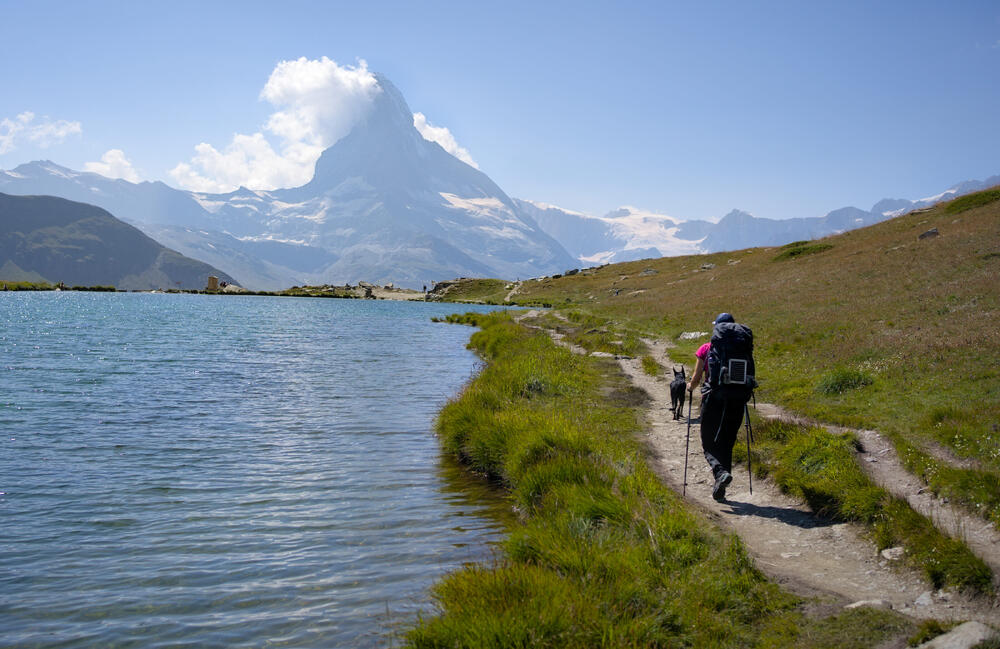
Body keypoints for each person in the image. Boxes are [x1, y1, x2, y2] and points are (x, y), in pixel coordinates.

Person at [687, 312, 746, 501]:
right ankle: (721, 482)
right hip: (737, 399)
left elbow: (696, 379)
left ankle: (720, 473)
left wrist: (689, 386)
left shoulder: (706, 348)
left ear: (717, 328)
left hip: (713, 399)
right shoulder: (742, 347)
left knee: (708, 441)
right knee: (727, 442)